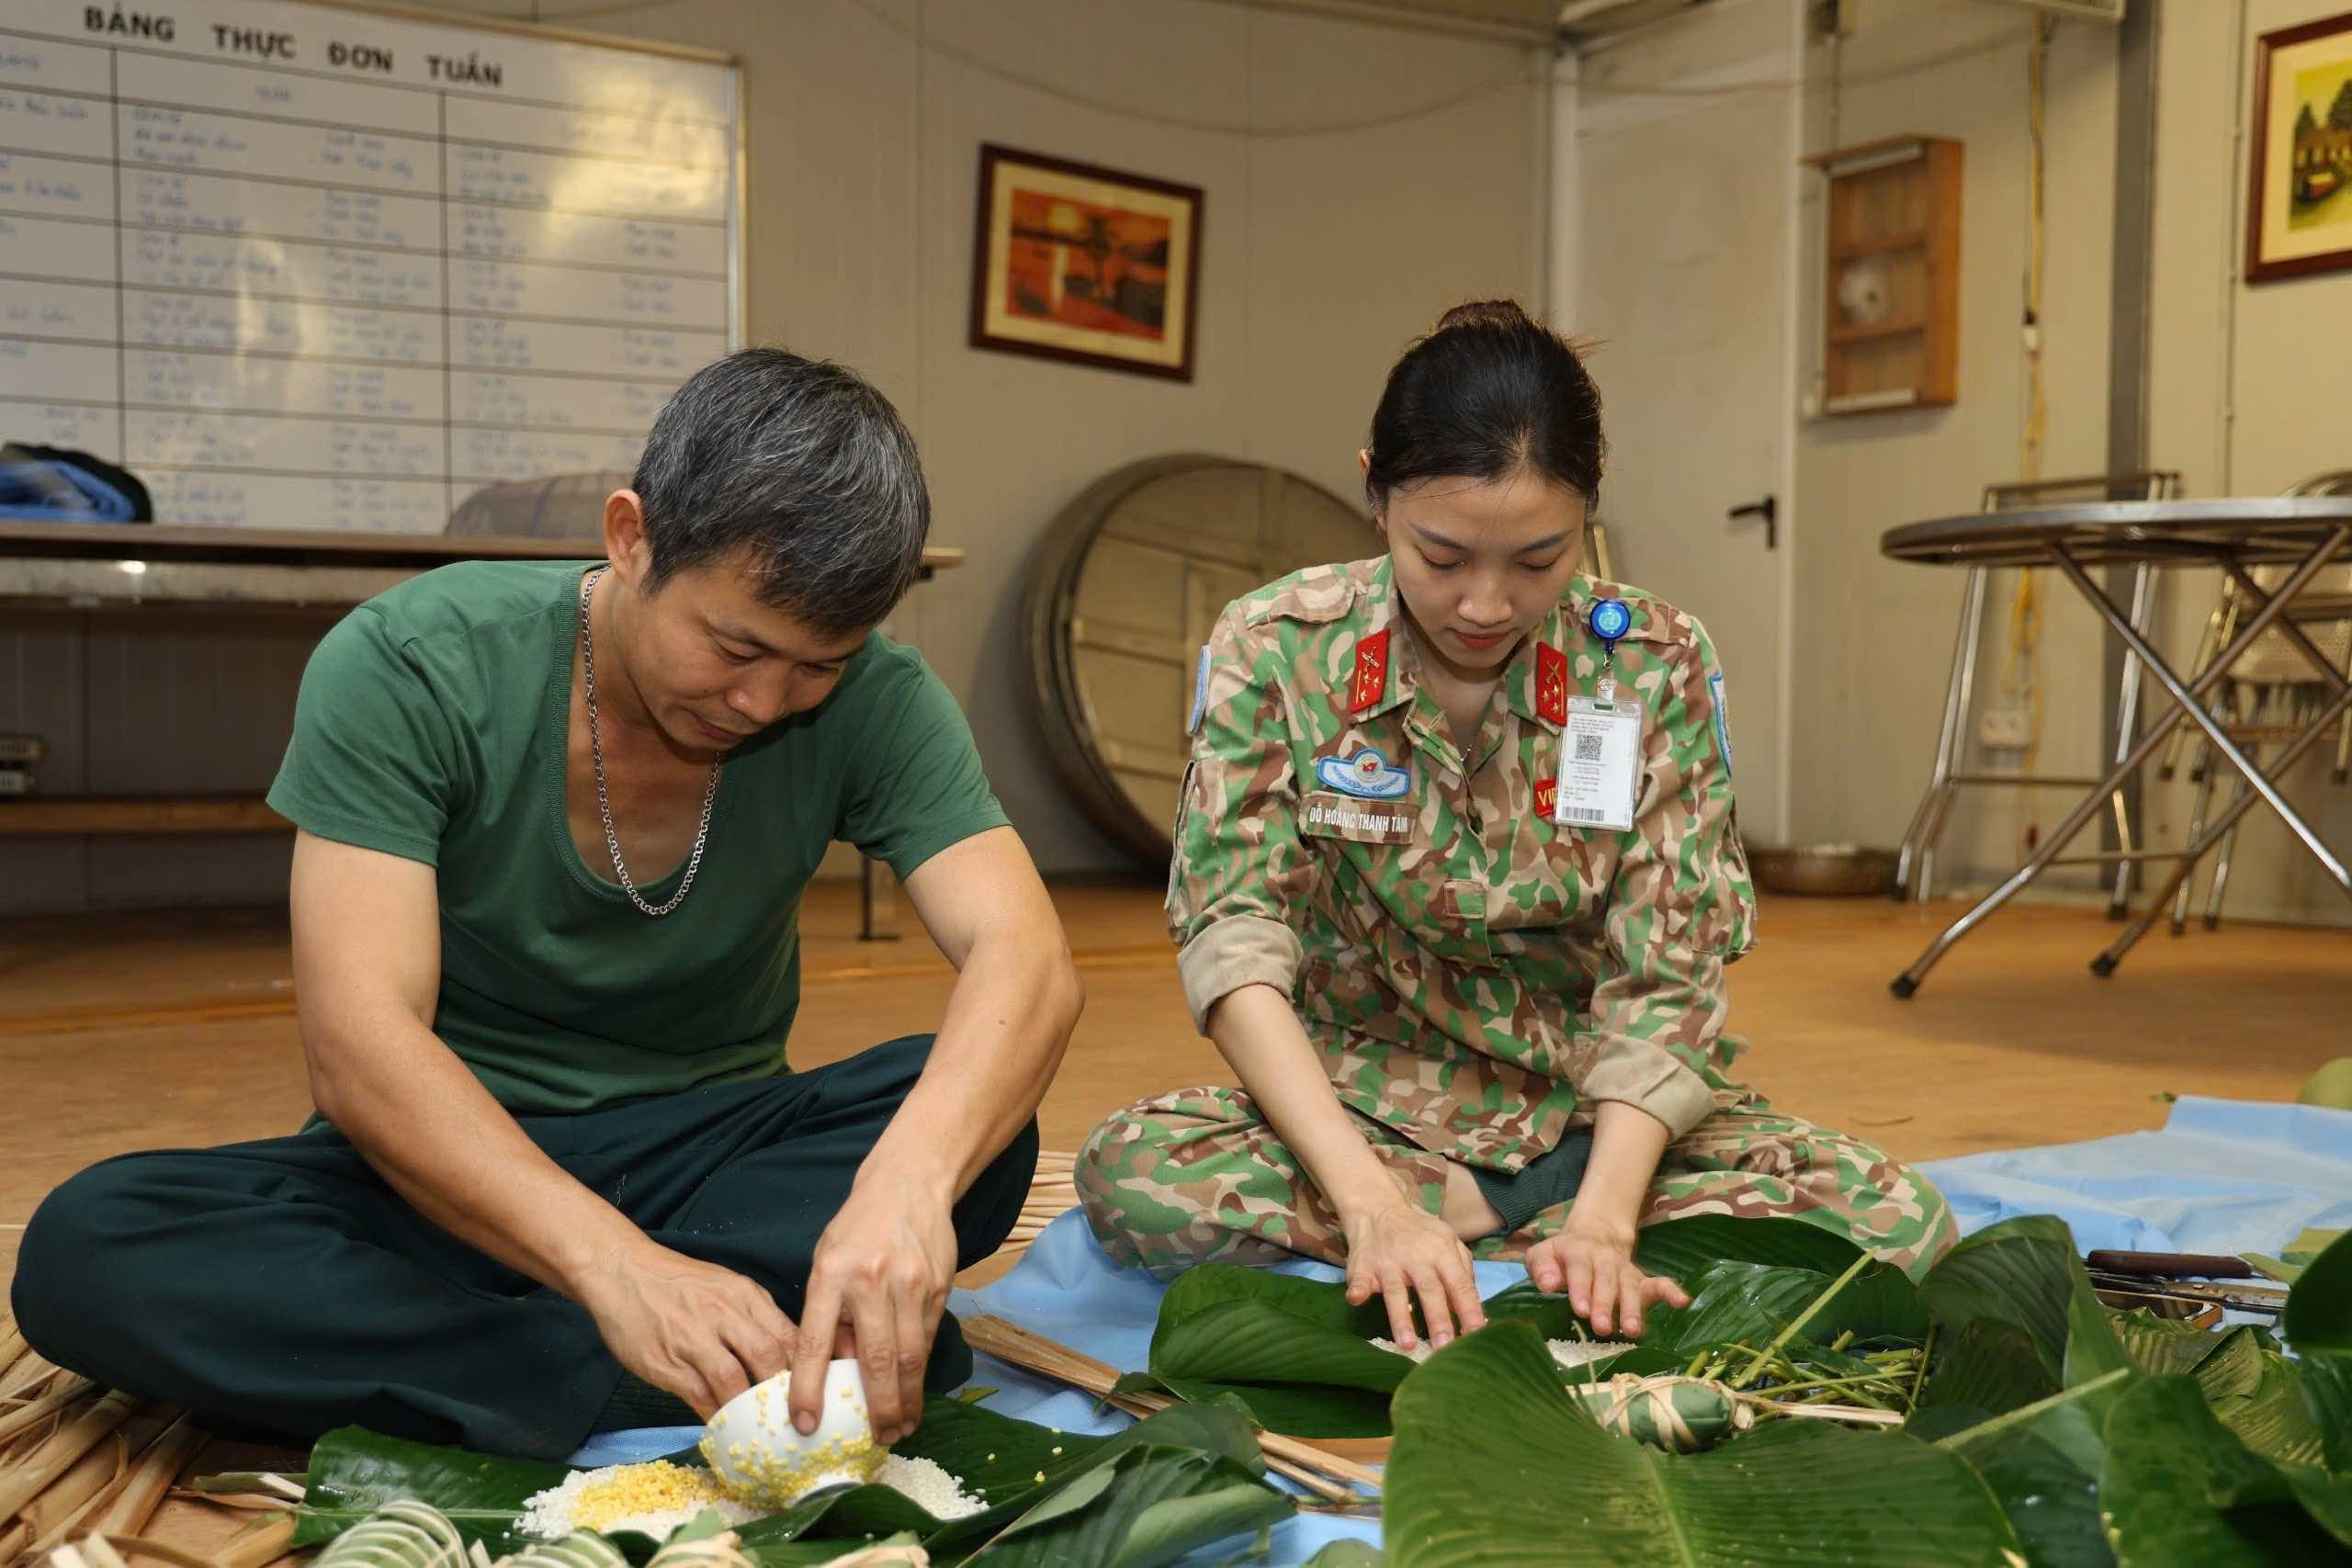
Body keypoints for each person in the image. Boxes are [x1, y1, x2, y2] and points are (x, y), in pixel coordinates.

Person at [15, 349, 1082, 1462]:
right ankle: (706, 1363)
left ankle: (533, 1370)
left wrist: (905, 1191)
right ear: (632, 537)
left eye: (817, 667)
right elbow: (361, 1046)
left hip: (704, 1164)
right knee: (93, 1246)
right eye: (733, 646)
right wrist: (615, 1270)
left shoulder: (878, 702)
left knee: (961, 1118)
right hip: (447, 1174)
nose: (764, 701)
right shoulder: (413, 665)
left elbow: (1028, 959)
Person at [1077, 301, 1954, 1354]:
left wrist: (1602, 1219)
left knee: (1898, 1225)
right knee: (1134, 1176)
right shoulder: (1277, 648)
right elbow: (1234, 940)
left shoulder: (1651, 664)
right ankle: (1481, 1238)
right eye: (1441, 556)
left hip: (1596, 1116)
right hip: (1363, 1105)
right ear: (1374, 492)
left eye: (1539, 560)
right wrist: (1368, 1202)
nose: (1486, 604)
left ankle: (1507, 1231)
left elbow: (1665, 973)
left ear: (1588, 513)